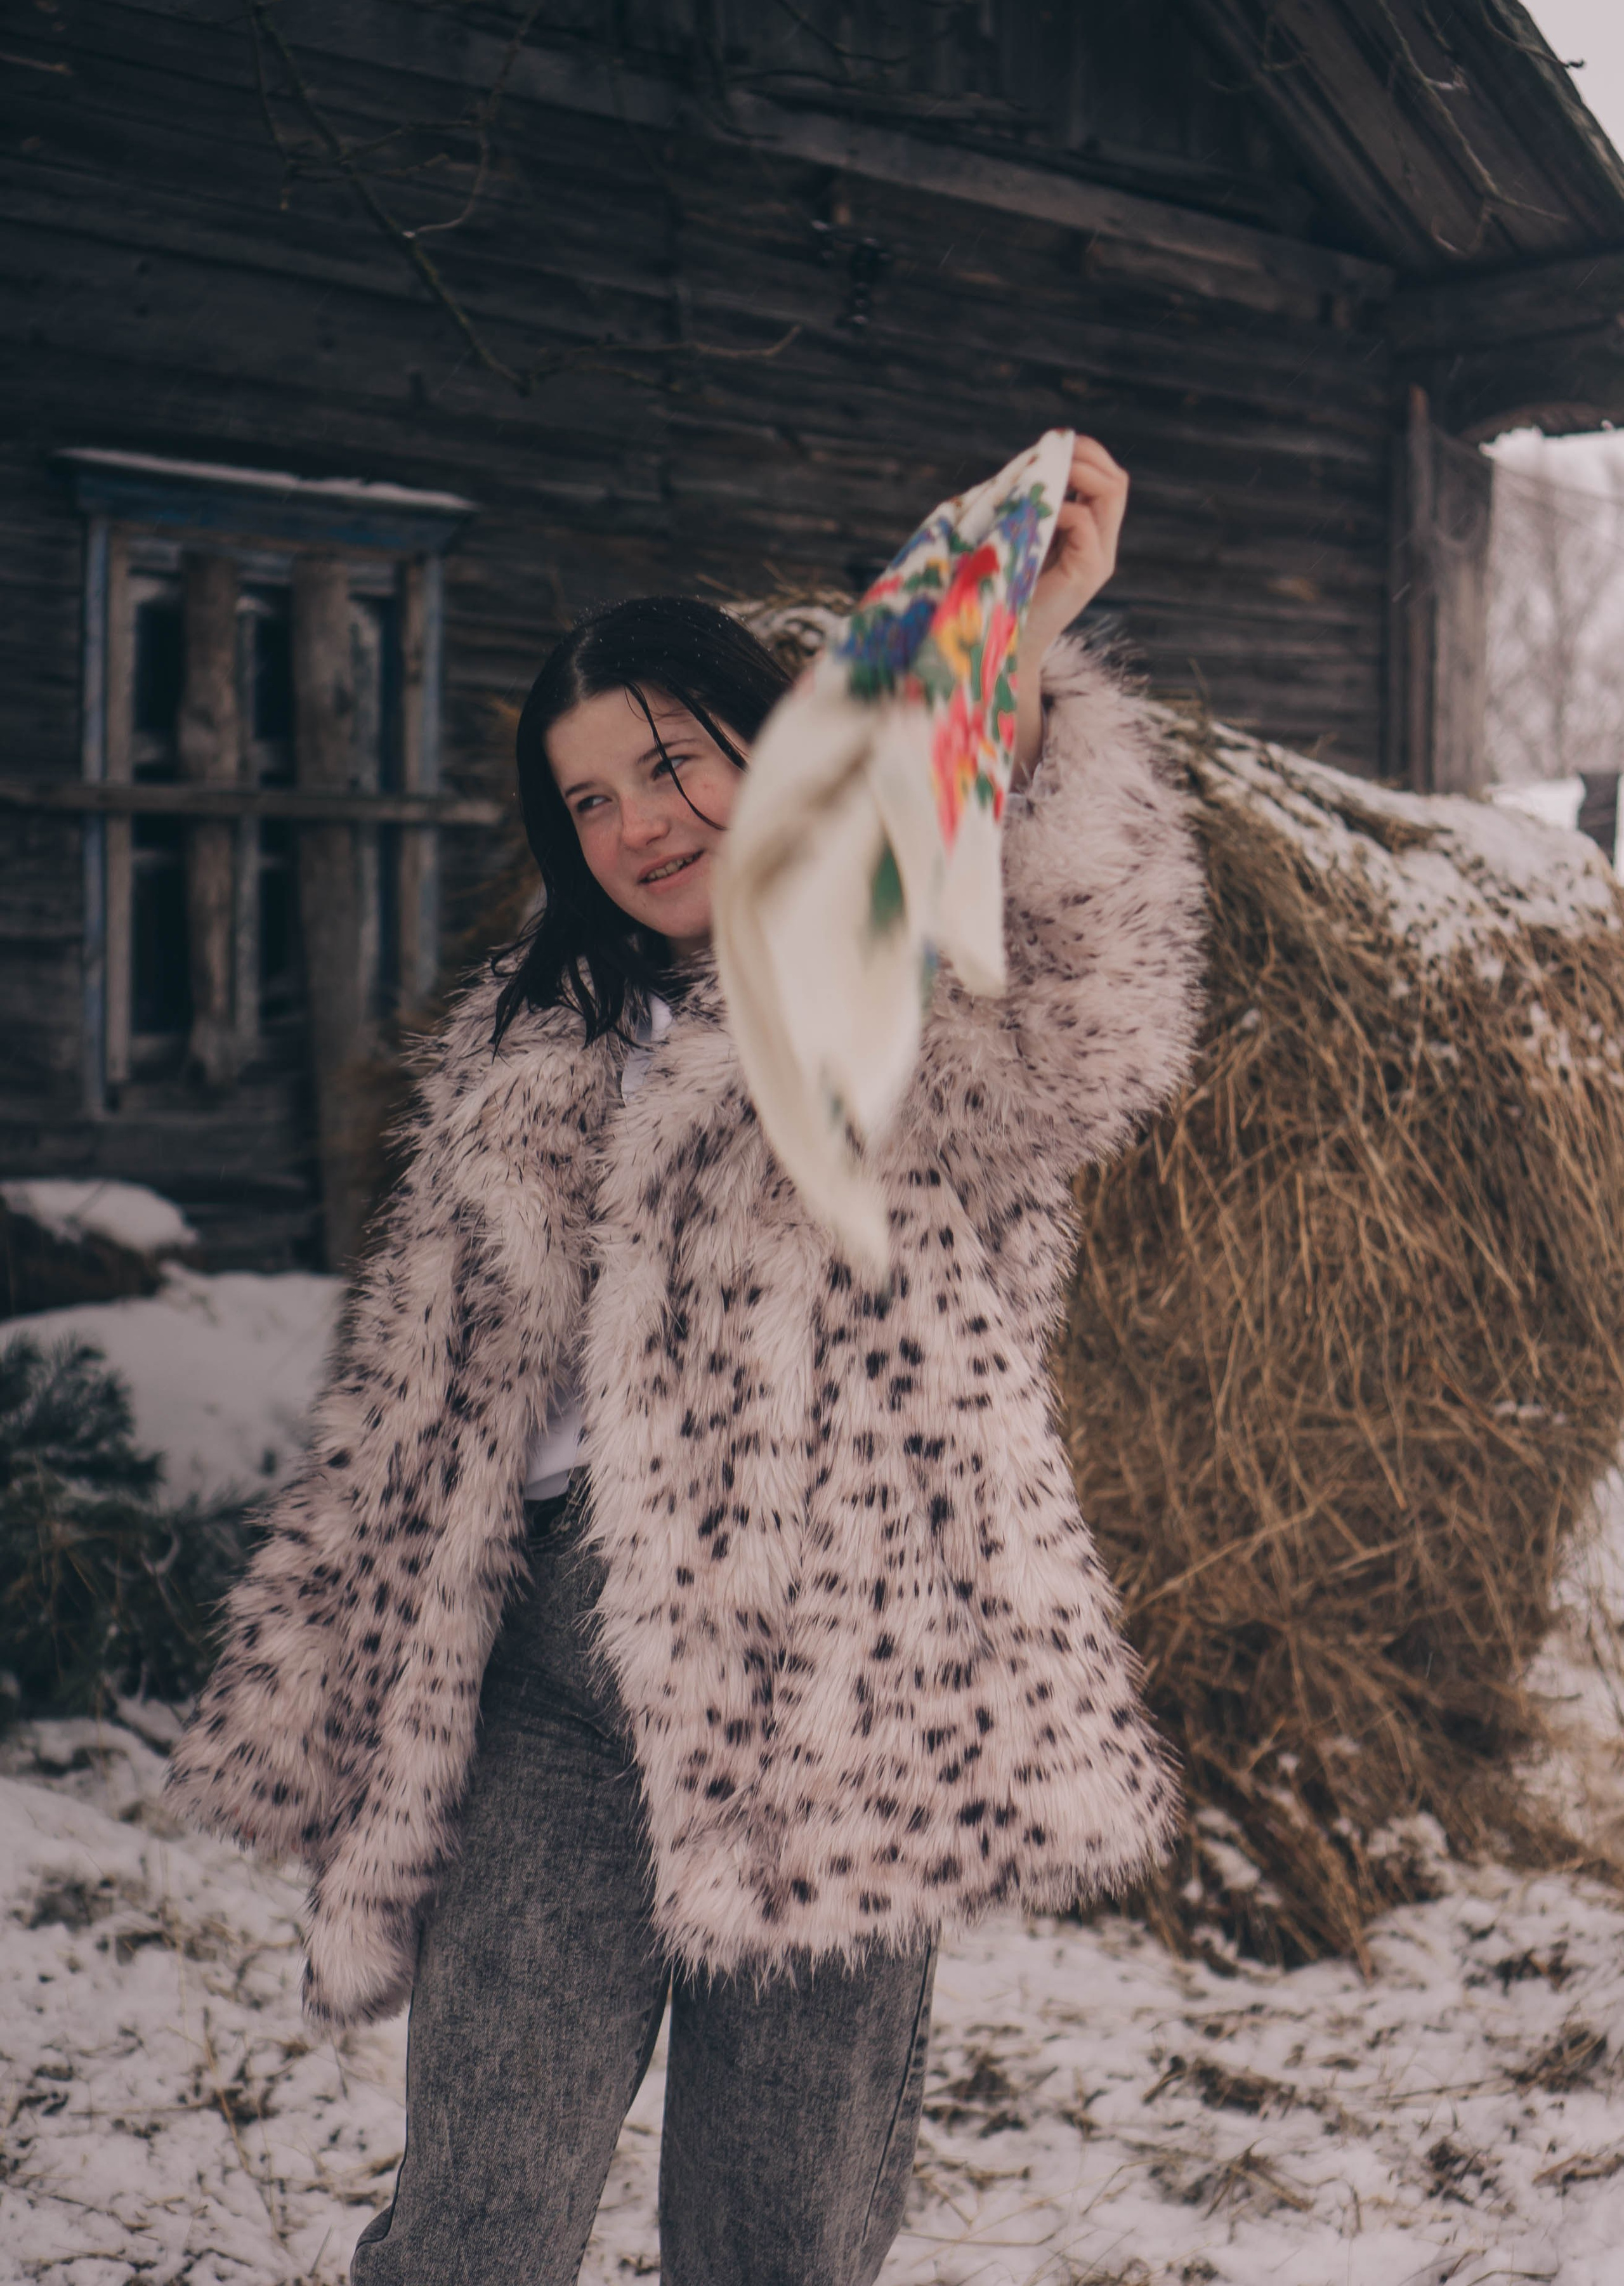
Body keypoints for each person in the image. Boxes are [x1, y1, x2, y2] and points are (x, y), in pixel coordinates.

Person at [167, 436, 1205, 2285]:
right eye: (589, 803)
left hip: (836, 1670)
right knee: (476, 2215)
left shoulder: (894, 991)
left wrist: (1020, 652)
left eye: (671, 760)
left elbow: (1090, 1020)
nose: (641, 823)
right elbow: (426, 1392)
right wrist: (349, 1661)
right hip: (550, 1669)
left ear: (765, 738)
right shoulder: (526, 1039)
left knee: (782, 2229)